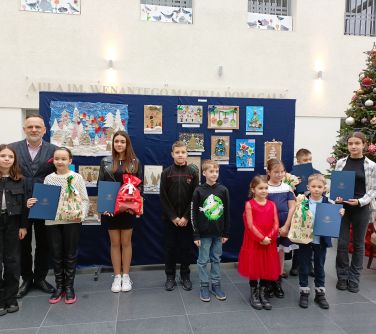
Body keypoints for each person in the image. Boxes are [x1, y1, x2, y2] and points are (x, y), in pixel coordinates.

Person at [27, 147, 89, 304]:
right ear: (52, 160)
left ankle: (69, 287)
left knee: (70, 253)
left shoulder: (77, 177)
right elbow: (45, 199)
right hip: (52, 221)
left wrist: (81, 215)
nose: (60, 162)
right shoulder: (49, 178)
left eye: (63, 159)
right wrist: (35, 203)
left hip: (72, 221)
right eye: (57, 159)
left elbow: (84, 199)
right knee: (56, 254)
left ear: (70, 160)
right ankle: (59, 286)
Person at [10, 114, 56, 298]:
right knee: (23, 244)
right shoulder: (12, 149)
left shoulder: (54, 151)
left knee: (44, 243)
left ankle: (40, 278)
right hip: (20, 204)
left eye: (38, 127)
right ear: (24, 129)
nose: (34, 130)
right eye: (30, 127)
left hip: (45, 204)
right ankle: (26, 278)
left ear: (44, 130)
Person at [97, 131, 142, 293]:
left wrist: (135, 206)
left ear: (127, 143)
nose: (119, 144)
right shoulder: (105, 161)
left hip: (128, 209)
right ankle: (117, 276)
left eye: (123, 141)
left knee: (126, 243)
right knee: (115, 243)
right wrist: (104, 207)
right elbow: (101, 185)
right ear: (113, 143)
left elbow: (139, 187)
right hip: (111, 210)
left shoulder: (135, 162)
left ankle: (126, 276)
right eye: (117, 141)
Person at [334, 132, 376, 293]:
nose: (353, 146)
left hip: (361, 208)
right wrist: (336, 198)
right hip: (343, 208)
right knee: (342, 244)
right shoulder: (340, 162)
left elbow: (373, 190)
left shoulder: (371, 166)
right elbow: (337, 184)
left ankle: (354, 278)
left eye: (357, 143)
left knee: (358, 245)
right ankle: (342, 277)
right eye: (350, 143)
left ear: (364, 145)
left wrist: (360, 201)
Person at [297, 174, 344, 309]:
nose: (316, 189)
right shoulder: (303, 202)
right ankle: (304, 292)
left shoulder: (329, 204)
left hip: (320, 241)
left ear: (325, 188)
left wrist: (340, 212)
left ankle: (320, 294)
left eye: (319, 187)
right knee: (304, 266)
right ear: (308, 187)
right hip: (305, 240)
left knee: (319, 267)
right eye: (313, 186)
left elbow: (335, 217)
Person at [160, 140, 198, 291]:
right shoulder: (166, 173)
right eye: (177, 152)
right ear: (172, 154)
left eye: (183, 152)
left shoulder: (193, 173)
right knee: (170, 248)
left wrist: (186, 217)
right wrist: (174, 217)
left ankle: (185, 275)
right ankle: (170, 276)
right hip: (171, 220)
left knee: (186, 248)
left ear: (187, 153)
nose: (180, 155)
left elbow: (195, 198)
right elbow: (163, 197)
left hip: (187, 220)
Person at [238, 175, 280, 310]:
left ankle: (263, 293)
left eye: (266, 188)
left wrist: (270, 237)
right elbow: (250, 225)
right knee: (254, 266)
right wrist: (261, 238)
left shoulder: (272, 204)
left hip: (269, 241)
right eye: (260, 188)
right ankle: (254, 293)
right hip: (254, 241)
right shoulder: (249, 204)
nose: (264, 191)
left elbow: (275, 223)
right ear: (253, 189)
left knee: (266, 266)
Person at [191, 160, 230, 302]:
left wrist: (225, 232)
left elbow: (227, 213)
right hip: (203, 234)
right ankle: (204, 285)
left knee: (216, 259)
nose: (214, 174)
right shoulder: (198, 190)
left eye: (216, 171)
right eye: (211, 171)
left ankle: (216, 284)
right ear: (204, 173)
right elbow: (193, 213)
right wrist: (196, 234)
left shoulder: (223, 190)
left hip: (218, 233)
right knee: (202, 261)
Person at [0, 145, 27, 315]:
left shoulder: (20, 180)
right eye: (3, 155)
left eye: (10, 156)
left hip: (12, 223)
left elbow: (24, 205)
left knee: (12, 261)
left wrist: (23, 226)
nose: (7, 159)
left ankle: (11, 298)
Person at [266, 158, 296, 297]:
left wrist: (286, 226)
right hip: (269, 226)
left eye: (282, 171)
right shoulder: (264, 187)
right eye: (276, 172)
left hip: (284, 225)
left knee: (280, 253)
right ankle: (268, 283)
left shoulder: (287, 188)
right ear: (268, 172)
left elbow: (292, 208)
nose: (279, 174)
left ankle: (278, 281)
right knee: (268, 253)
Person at [290, 148, 320, 276]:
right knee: (299, 236)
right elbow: (289, 192)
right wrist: (293, 183)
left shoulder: (316, 173)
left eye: (310, 160)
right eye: (304, 160)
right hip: (299, 209)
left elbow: (322, 188)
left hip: (314, 209)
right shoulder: (292, 175)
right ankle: (296, 264)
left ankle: (310, 265)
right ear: (298, 161)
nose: (308, 162)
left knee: (312, 237)